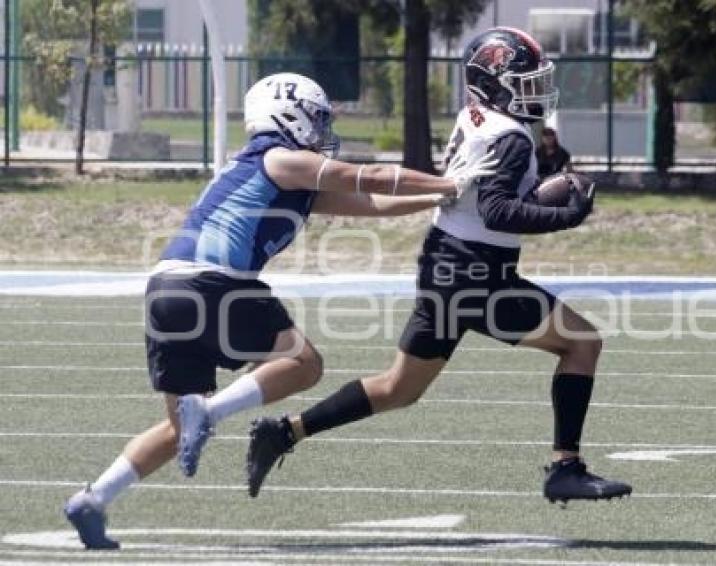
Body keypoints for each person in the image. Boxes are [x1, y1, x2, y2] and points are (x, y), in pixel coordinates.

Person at [61, 72, 494, 550]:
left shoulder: (277, 169)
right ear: (287, 114)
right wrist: (451, 180)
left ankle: (93, 498)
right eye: (316, 119)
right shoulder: (281, 158)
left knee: (178, 426)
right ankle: (209, 409)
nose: (321, 130)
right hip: (214, 283)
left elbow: (370, 201)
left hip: (167, 289)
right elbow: (367, 175)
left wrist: (440, 198)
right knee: (304, 364)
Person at [246, 28, 632, 504]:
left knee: (398, 388)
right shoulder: (511, 137)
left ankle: (284, 432)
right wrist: (565, 214)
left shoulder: (476, 117)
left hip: (444, 263)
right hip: (477, 272)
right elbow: (498, 210)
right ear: (493, 81)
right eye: (523, 80)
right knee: (581, 343)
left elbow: (487, 199)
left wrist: (539, 190)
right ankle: (565, 467)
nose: (533, 90)